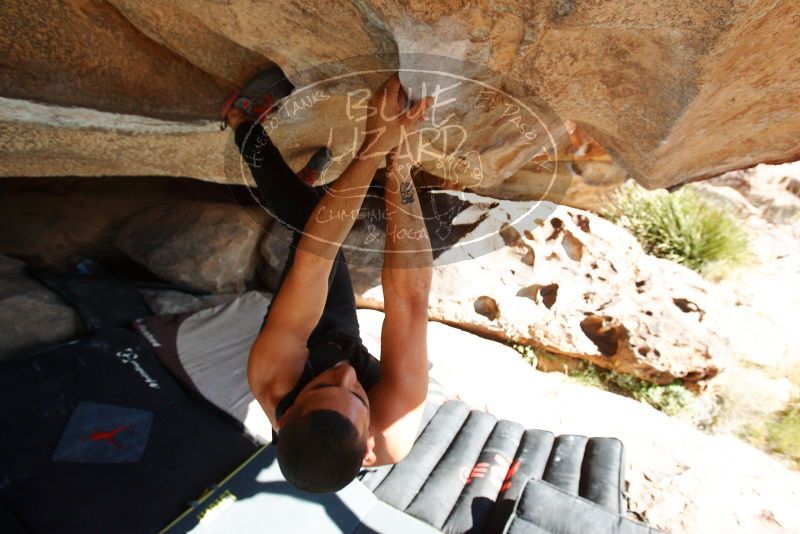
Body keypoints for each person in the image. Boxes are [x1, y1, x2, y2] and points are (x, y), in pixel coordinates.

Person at [224, 68, 434, 493]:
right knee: (311, 217)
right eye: (359, 395)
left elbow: (313, 263)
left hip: (305, 336)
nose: (344, 375)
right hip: (340, 334)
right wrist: (400, 163)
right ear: (368, 448)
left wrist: (377, 143)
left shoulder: (273, 376)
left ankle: (241, 123)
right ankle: (303, 193)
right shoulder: (392, 430)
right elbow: (410, 302)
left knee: (310, 229)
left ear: (287, 415)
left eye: (322, 384)